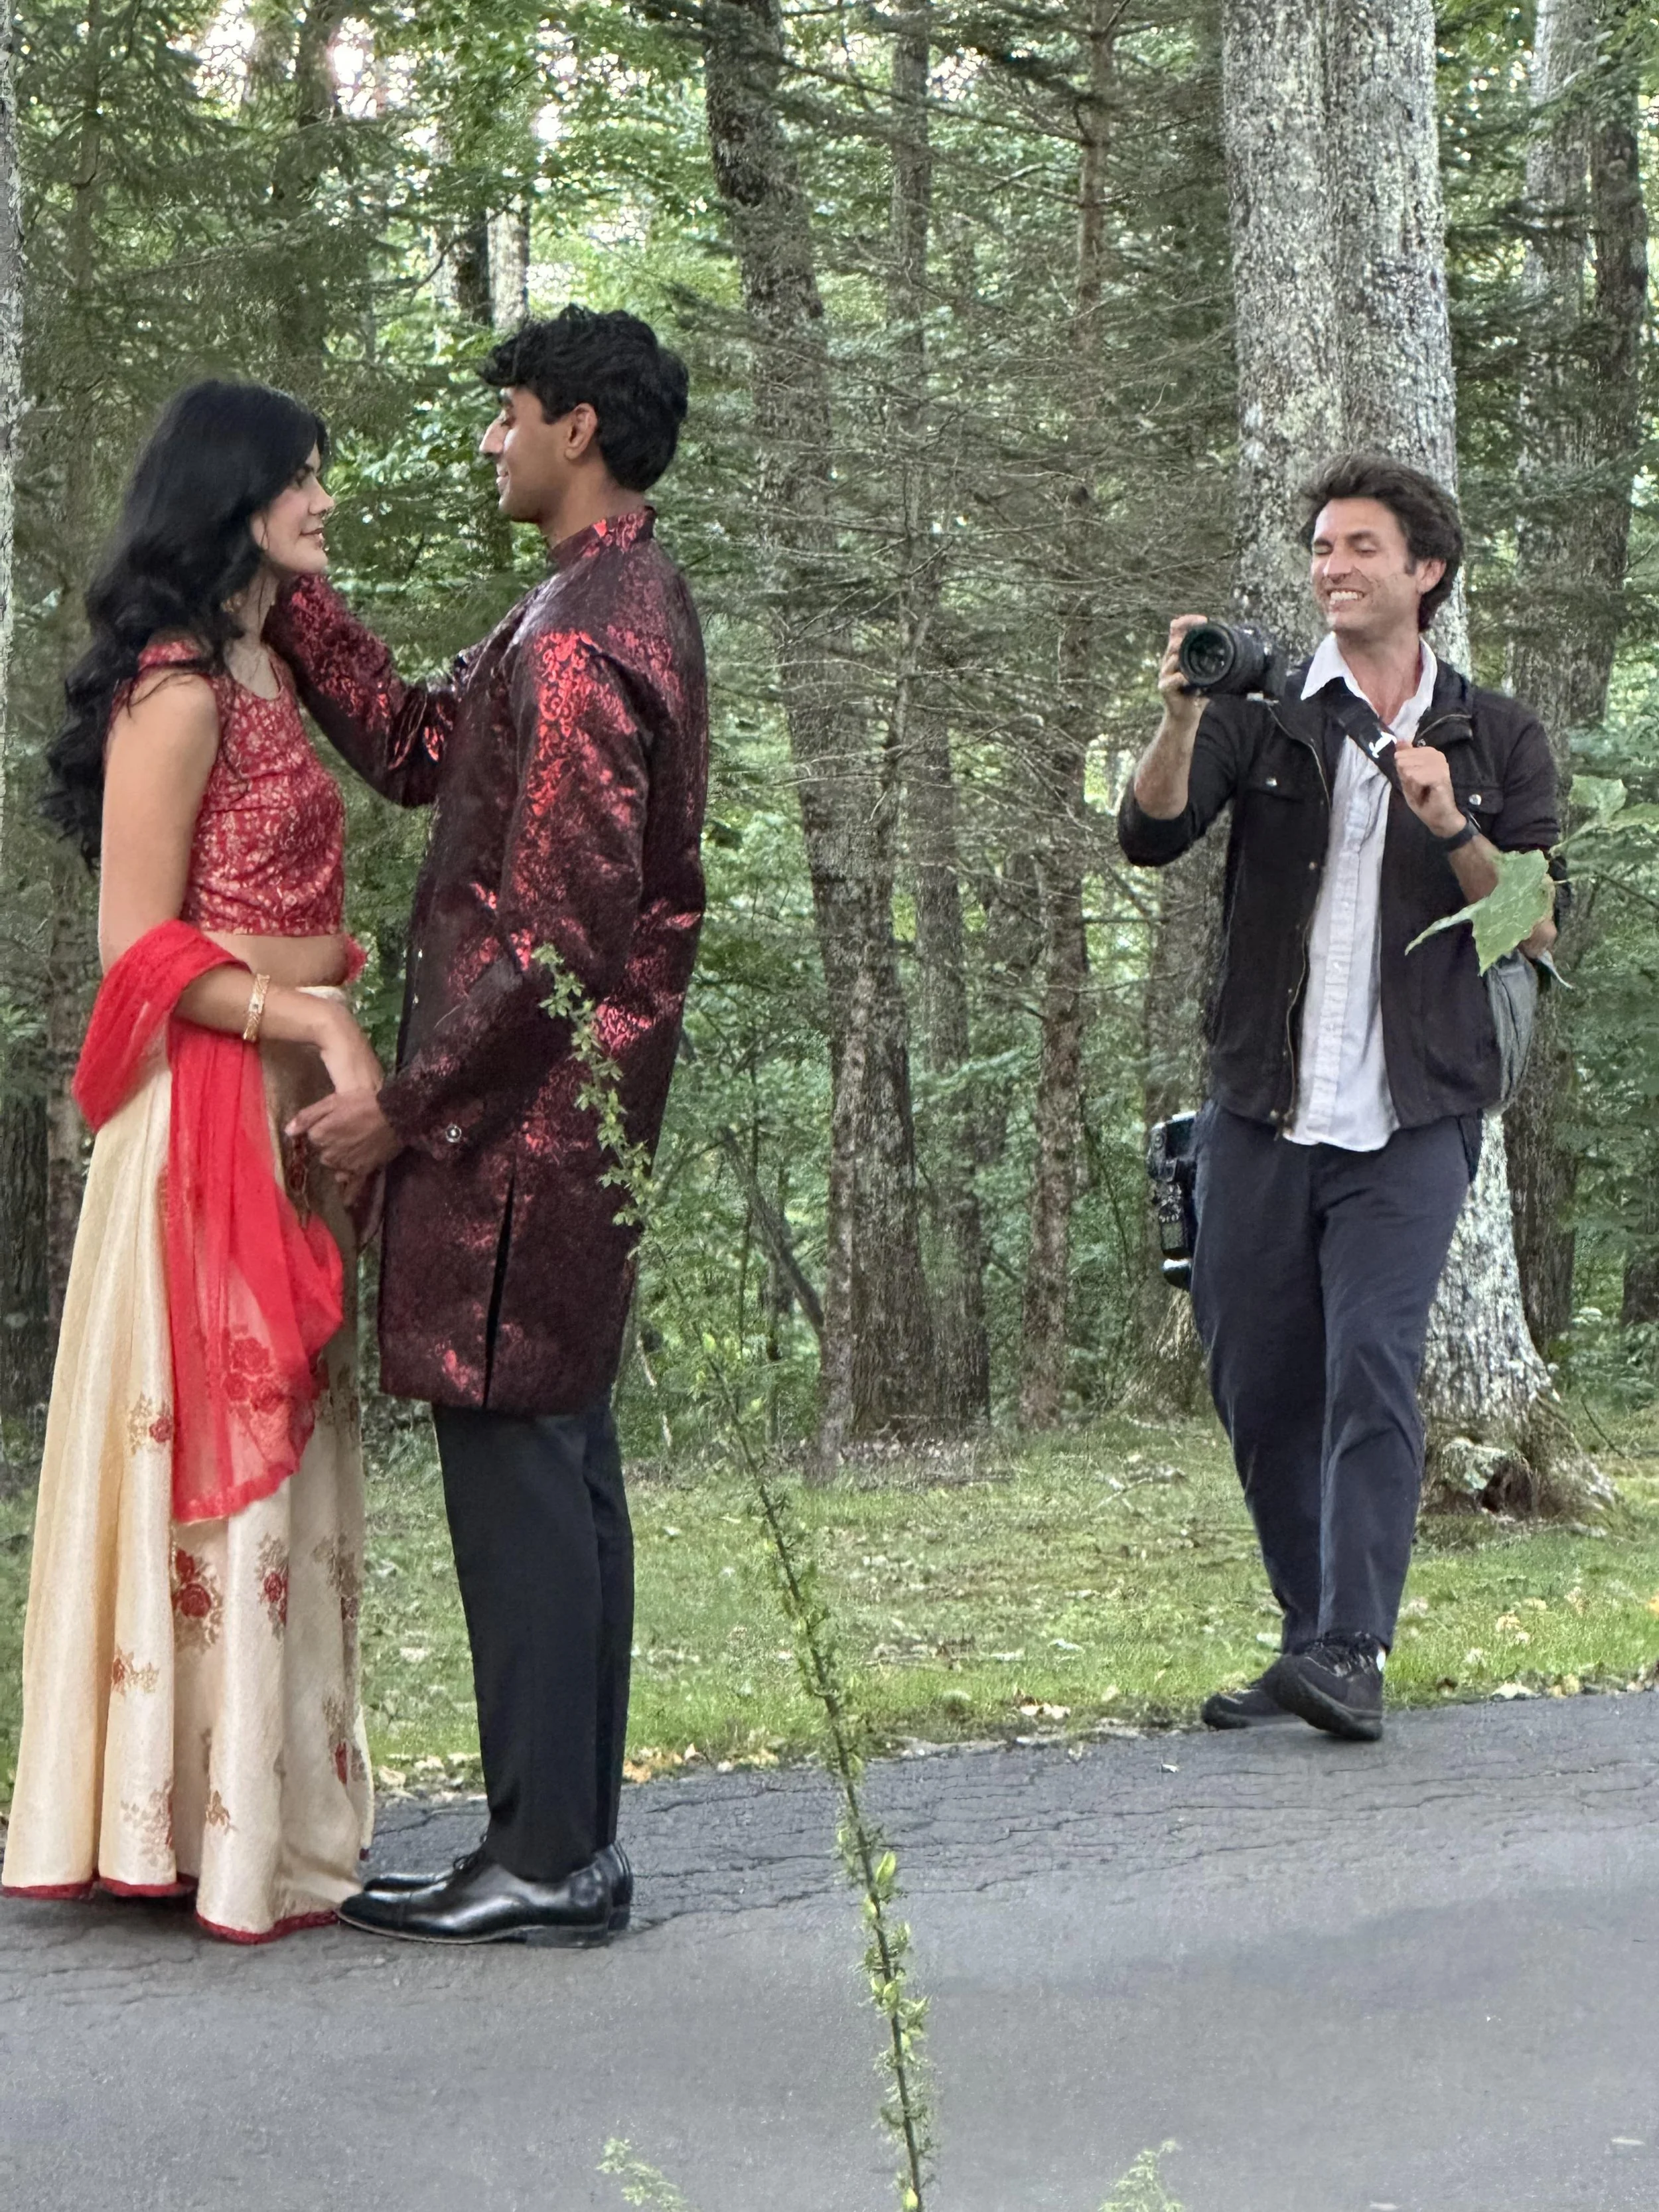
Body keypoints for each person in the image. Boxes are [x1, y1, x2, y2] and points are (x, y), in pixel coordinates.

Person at [267, 305, 708, 1947]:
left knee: (525, 1470)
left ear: (575, 428)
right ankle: (567, 1845)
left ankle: (543, 1851)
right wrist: (288, 596)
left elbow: (555, 931)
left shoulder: (594, 640)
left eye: (505, 415)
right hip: (549, 1117)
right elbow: (413, 745)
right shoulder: (573, 606)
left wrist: (401, 1104)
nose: (489, 443)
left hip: (526, 1128)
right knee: (557, 1461)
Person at [3, 382, 382, 1940]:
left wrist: (323, 1015)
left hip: (280, 1094)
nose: (322, 505)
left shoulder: (265, 657)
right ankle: (162, 1823)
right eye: (299, 481)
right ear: (230, 495)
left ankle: (266, 1819)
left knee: (292, 1460)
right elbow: (132, 948)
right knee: (205, 1443)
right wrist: (310, 1004)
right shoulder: (176, 685)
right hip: (198, 1114)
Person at [1118, 453, 1559, 1743]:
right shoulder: (1265, 717)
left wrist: (1449, 823)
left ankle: (1353, 1648)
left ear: (1421, 571)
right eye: (1318, 548)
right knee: (1259, 1384)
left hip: (1411, 1121)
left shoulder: (1497, 736)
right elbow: (1147, 833)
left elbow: (1532, 929)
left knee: (1372, 1361)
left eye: (1357, 547)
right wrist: (1181, 714)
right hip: (1259, 1110)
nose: (1330, 567)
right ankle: (1310, 1636)